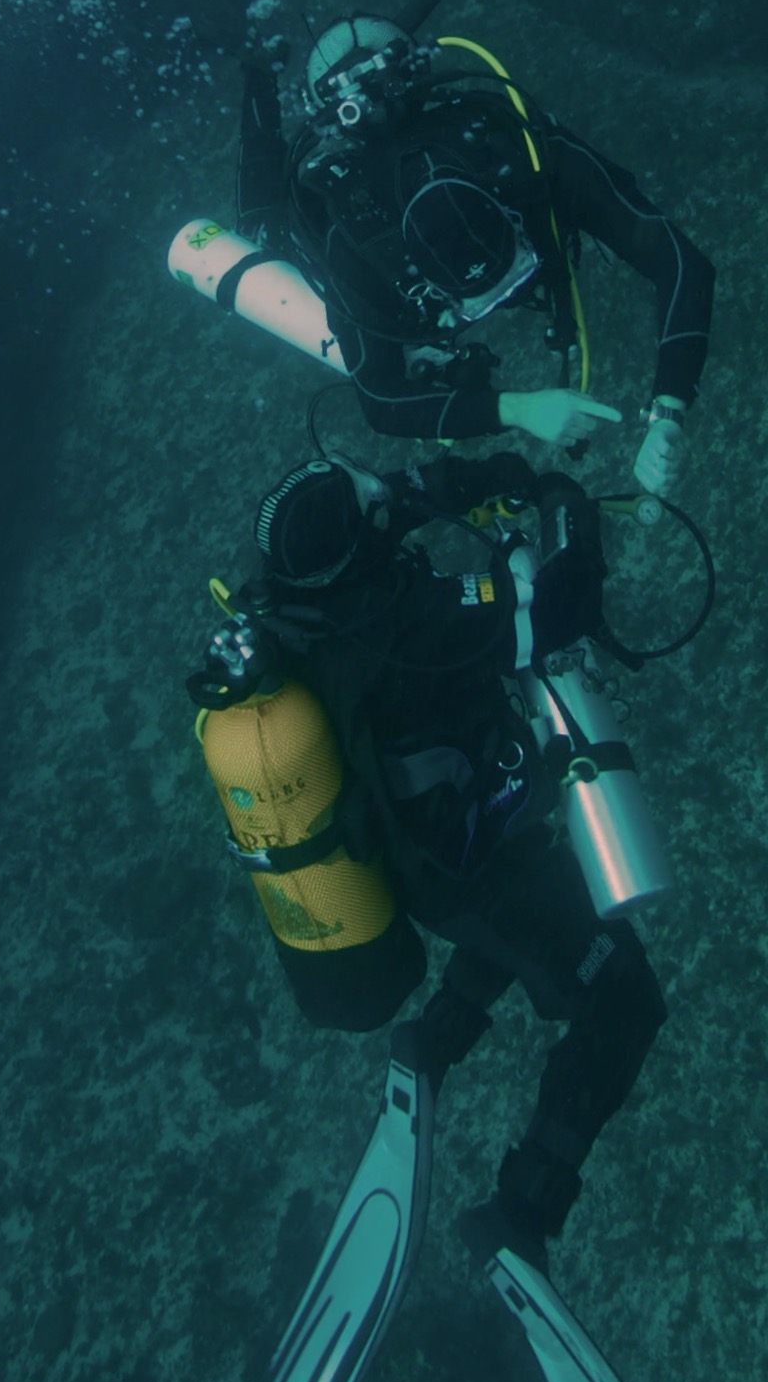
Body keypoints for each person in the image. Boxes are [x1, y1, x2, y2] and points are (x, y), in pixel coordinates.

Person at [195, 449, 666, 1272]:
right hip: (475, 868)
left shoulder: (287, 602)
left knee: (516, 929)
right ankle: (523, 1211)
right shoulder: (410, 624)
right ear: (352, 545)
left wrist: (463, 479)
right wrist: (564, 509)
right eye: (363, 497)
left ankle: (437, 1040)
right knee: (622, 998)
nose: (381, 490)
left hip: (421, 862)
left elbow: (373, 521)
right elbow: (556, 604)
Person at [235, 0, 715, 501]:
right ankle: (258, 70)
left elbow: (680, 261)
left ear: (509, 209)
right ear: (411, 270)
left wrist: (667, 413)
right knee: (260, 229)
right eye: (469, 288)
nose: (495, 290)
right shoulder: (355, 238)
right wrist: (515, 408)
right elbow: (379, 399)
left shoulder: (519, 155)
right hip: (374, 248)